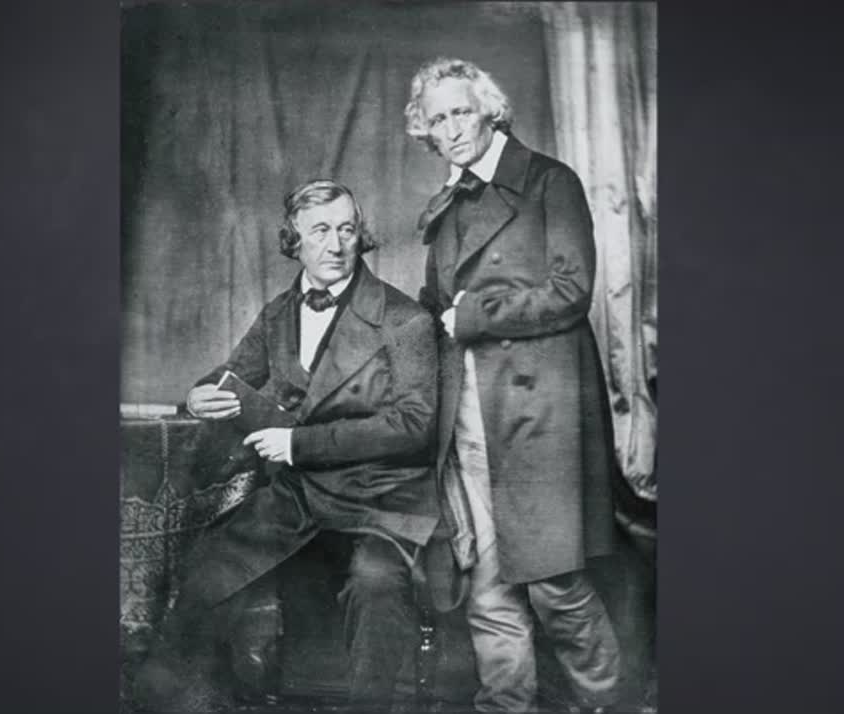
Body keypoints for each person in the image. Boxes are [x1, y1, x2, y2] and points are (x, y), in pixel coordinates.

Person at [133, 179, 439, 714]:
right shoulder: (279, 314)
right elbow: (231, 375)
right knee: (208, 568)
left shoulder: (405, 319)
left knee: (375, 584)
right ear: (294, 241)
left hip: (382, 499)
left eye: (347, 230)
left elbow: (416, 426)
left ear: (361, 236)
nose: (336, 245)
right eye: (319, 231)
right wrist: (197, 394)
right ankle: (182, 700)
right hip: (300, 495)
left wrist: (300, 443)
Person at [406, 57, 623, 713]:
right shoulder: (448, 203)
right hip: (469, 407)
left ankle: (606, 701)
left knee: (554, 582)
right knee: (488, 582)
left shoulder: (550, 181)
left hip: (540, 410)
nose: (452, 129)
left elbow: (571, 289)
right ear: (426, 131)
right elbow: (435, 304)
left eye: (461, 112)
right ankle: (506, 704)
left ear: (490, 113)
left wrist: (475, 316)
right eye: (437, 119)